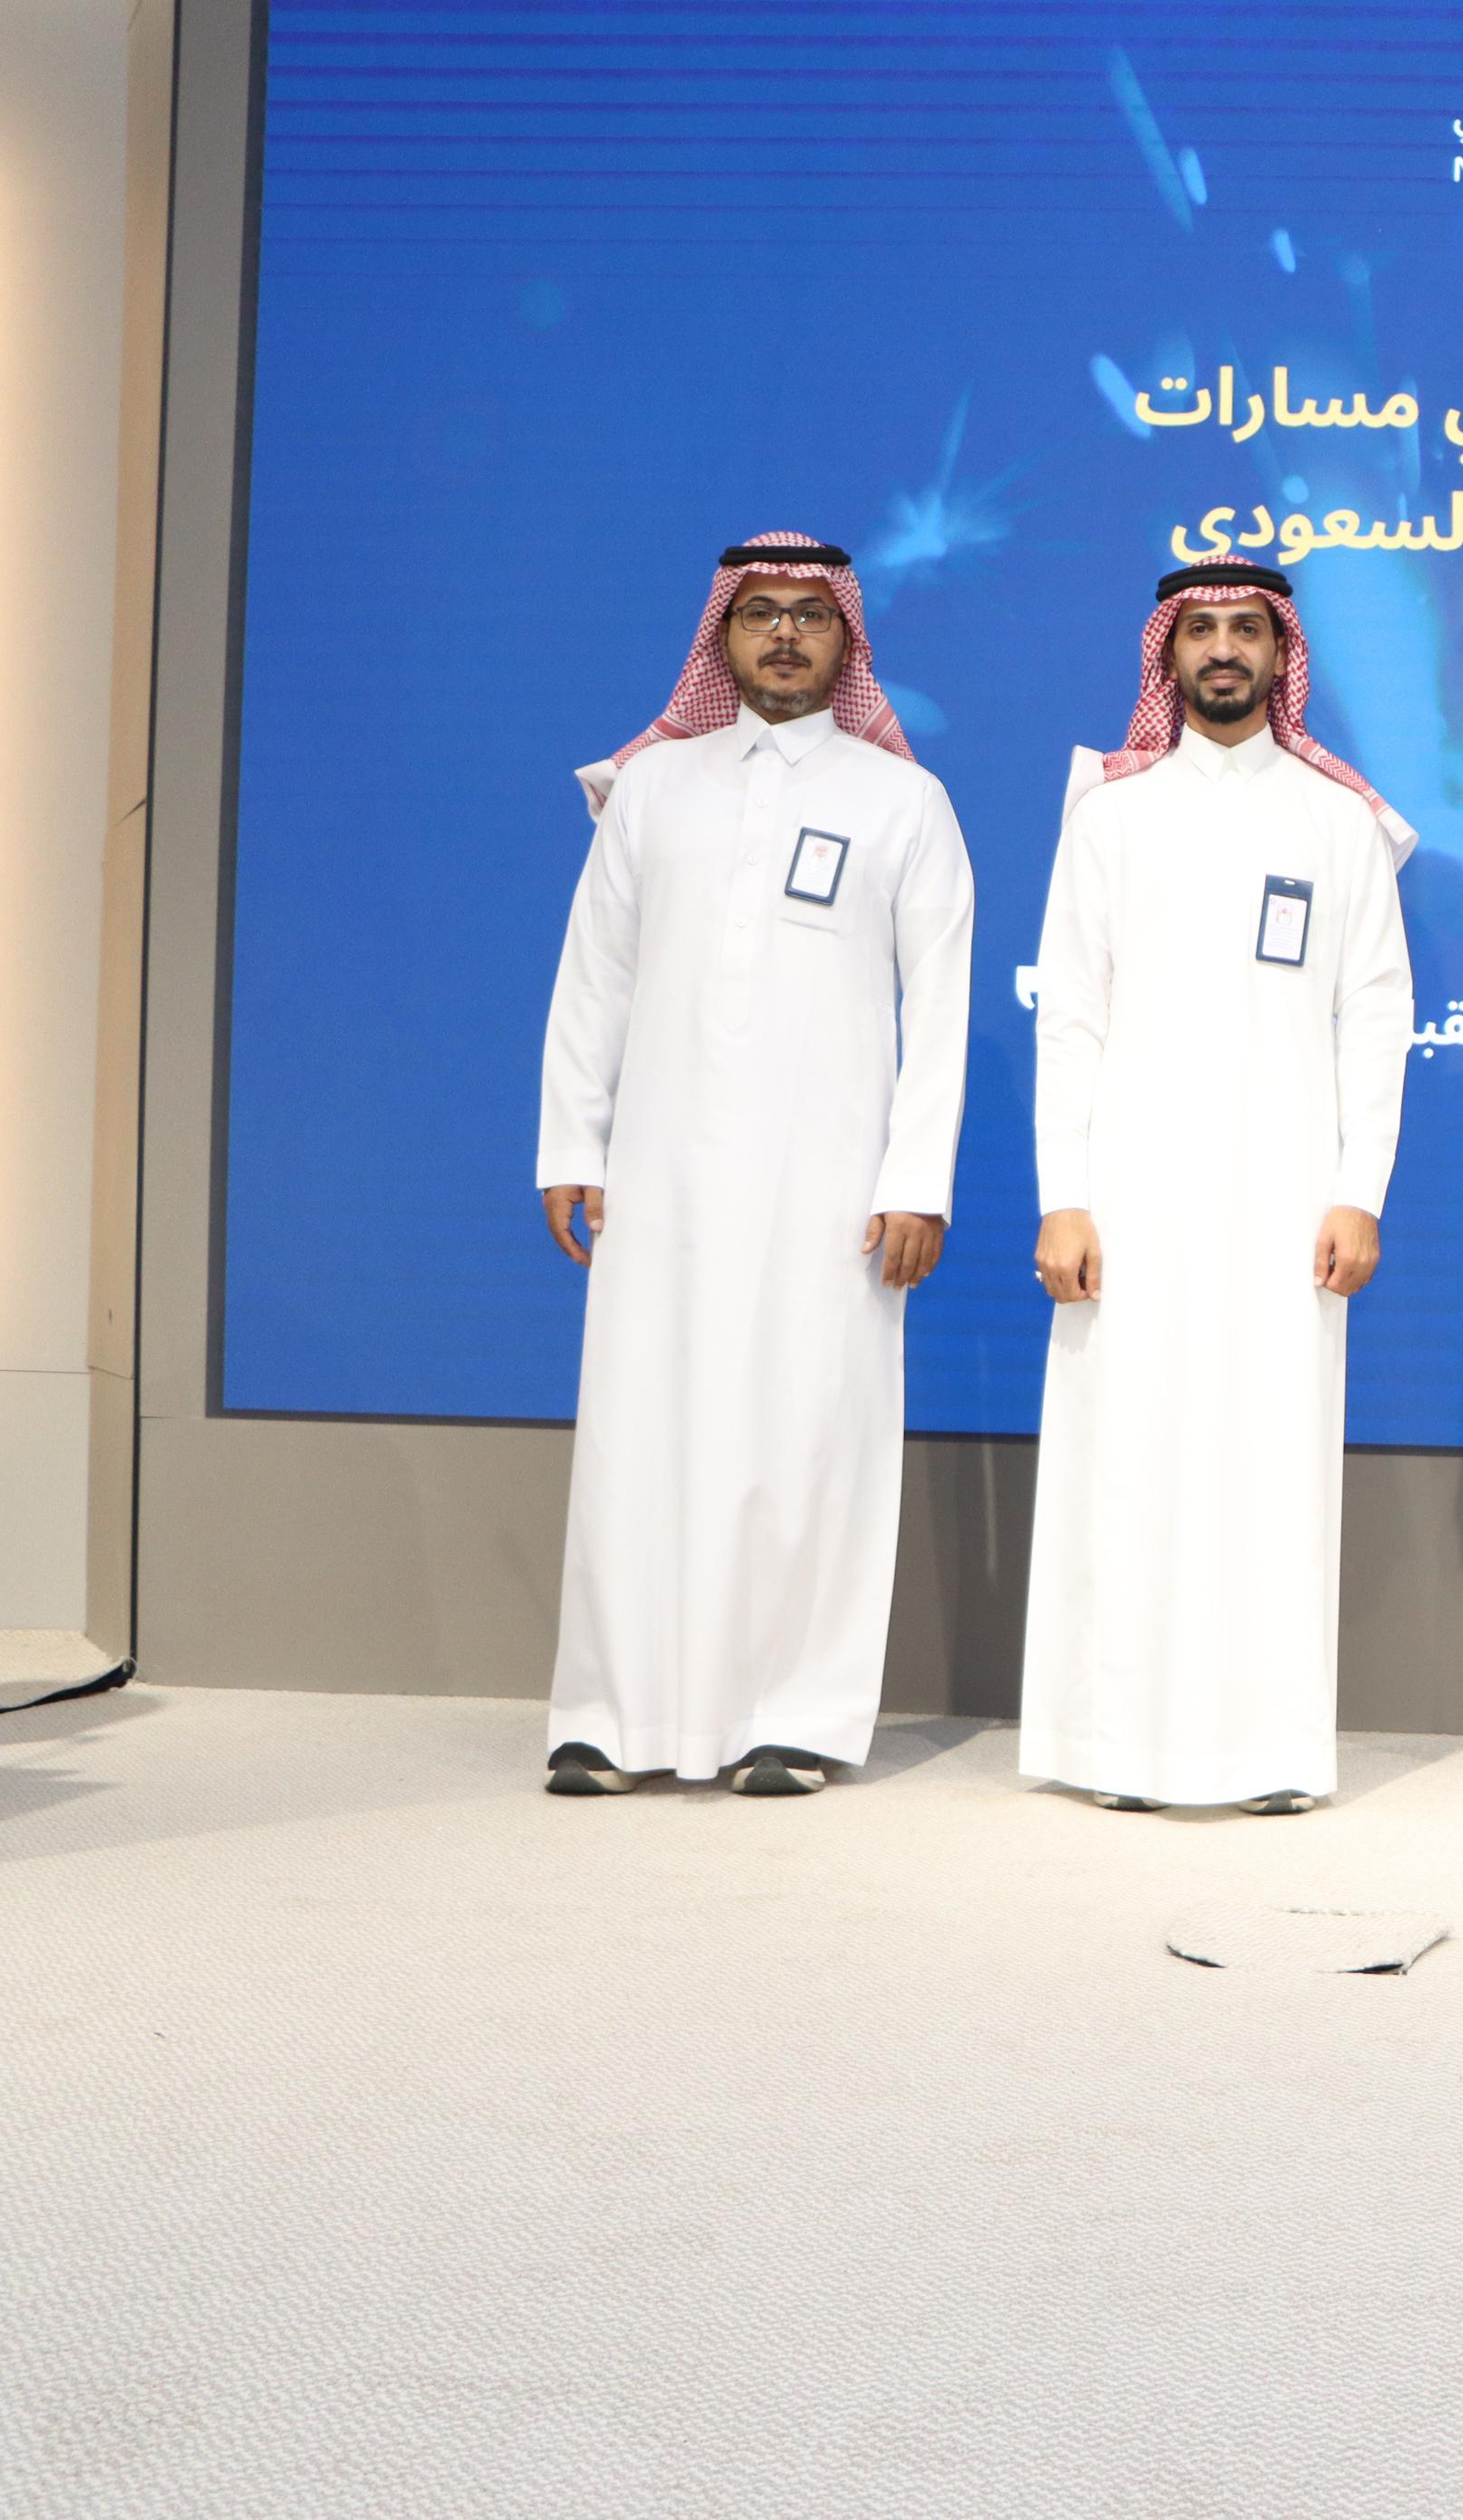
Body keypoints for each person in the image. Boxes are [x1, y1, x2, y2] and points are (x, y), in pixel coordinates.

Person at [538, 532, 975, 1796]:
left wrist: (916, 1181)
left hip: (828, 1184)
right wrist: (572, 1140)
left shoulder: (904, 802)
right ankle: (612, 1713)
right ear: (721, 637)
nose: (784, 634)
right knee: (639, 1435)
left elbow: (941, 1007)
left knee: (809, 1437)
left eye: (809, 616)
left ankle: (796, 1716)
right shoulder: (652, 792)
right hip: (661, 1172)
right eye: (760, 614)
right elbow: (595, 976)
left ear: (846, 641)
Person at [1016, 561, 1417, 1817]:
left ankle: (1269, 1753)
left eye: (1249, 629)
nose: (1226, 650)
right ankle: (1114, 1750)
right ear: (1168, 652)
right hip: (1128, 1196)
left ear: (1281, 653)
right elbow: (1070, 1018)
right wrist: (1063, 1194)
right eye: (1202, 630)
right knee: (1125, 1460)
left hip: (1287, 1200)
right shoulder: (1110, 816)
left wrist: (1359, 1191)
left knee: (1270, 1466)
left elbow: (1378, 1020)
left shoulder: (1339, 822)